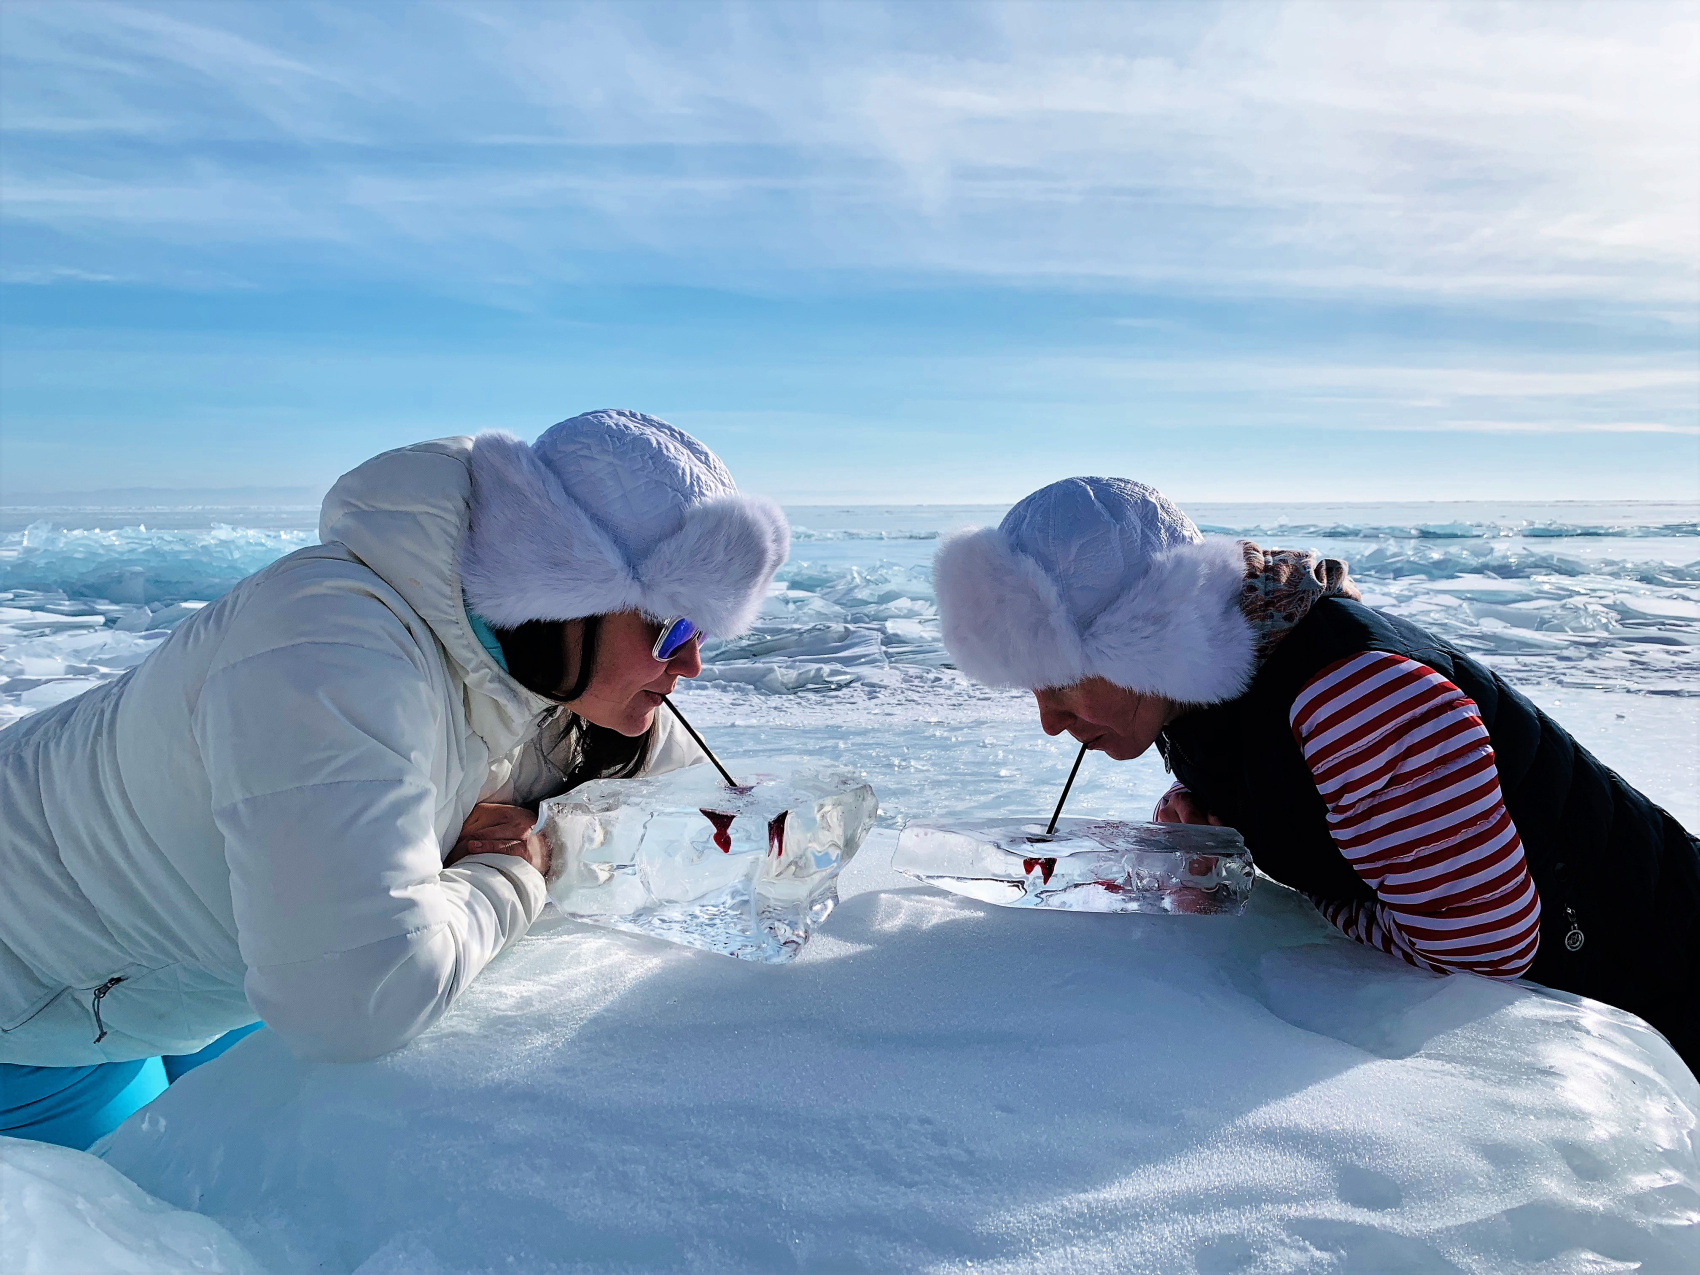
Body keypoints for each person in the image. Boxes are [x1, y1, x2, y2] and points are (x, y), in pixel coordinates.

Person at [0, 410, 788, 1147]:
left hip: (198, 975)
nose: (691, 662)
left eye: (707, 630)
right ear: (564, 593)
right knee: (168, 1229)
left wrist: (589, 830)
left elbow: (700, 807)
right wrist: (520, 867)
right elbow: (353, 1002)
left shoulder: (547, 672)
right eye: (674, 626)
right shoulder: (329, 649)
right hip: (38, 1006)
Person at [933, 476, 1699, 1069]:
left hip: (1661, 977)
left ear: (1152, 637)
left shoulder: (1353, 697)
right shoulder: (1213, 676)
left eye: (1066, 677)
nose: (1050, 719)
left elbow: (1481, 945)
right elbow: (1285, 769)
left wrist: (1293, 889)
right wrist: (1216, 817)